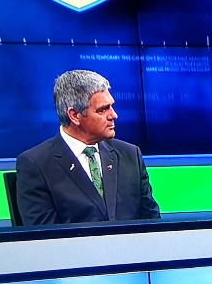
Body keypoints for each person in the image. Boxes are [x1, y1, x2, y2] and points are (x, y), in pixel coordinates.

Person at [16, 70, 160, 225]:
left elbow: (152, 222)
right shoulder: (36, 164)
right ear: (75, 115)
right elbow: (44, 238)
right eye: (102, 110)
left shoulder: (130, 155)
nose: (113, 115)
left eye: (111, 106)